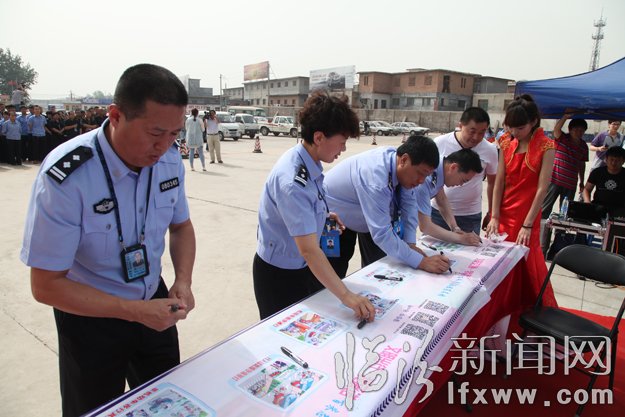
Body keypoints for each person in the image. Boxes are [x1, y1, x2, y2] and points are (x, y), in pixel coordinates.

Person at [21, 63, 196, 417]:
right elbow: (45, 285)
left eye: (174, 134)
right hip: (90, 318)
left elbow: (181, 227)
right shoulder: (68, 176)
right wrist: (131, 311)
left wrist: (183, 280)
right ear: (115, 116)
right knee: (93, 409)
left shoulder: (169, 160)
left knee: (168, 403)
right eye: (155, 133)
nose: (164, 146)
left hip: (154, 302)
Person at [253, 91, 375, 321]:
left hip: (300, 268)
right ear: (319, 137)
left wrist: (323, 216)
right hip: (279, 276)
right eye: (342, 142)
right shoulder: (293, 181)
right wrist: (347, 296)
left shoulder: (308, 162)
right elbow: (309, 250)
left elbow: (303, 209)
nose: (343, 149)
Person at [324, 135, 451, 278]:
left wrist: (410, 244)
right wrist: (422, 262)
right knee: (332, 271)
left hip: (364, 215)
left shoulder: (400, 166)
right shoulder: (376, 179)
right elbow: (382, 233)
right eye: (420, 174)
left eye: (426, 176)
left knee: (378, 264)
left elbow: (409, 206)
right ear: (404, 160)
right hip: (332, 217)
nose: (421, 181)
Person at [485, 94, 557, 307]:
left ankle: (527, 312)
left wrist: (528, 224)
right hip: (503, 214)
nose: (515, 132)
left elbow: (542, 189)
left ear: (533, 122)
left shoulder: (546, 146)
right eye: (510, 127)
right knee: (498, 264)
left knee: (526, 263)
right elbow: (499, 181)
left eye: (520, 128)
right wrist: (494, 215)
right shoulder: (506, 142)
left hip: (527, 216)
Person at [431, 107, 498, 235]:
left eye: (482, 132)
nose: (476, 137)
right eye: (472, 131)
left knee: (469, 247)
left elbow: (492, 184)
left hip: (470, 215)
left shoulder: (490, 150)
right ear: (461, 126)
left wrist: (492, 213)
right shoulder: (440, 143)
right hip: (438, 211)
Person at [540, 114, 589, 255]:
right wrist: (565, 116)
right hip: (554, 181)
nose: (579, 133)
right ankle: (540, 240)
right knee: (545, 209)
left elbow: (582, 165)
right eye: (576, 130)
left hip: (570, 184)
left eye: (581, 131)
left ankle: (558, 243)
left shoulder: (583, 146)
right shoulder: (562, 139)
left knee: (565, 216)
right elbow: (556, 130)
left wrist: (582, 181)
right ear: (570, 129)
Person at [414, 149, 484, 246]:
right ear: (453, 167)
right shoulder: (426, 176)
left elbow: (441, 199)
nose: (461, 185)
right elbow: (425, 226)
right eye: (463, 180)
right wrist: (461, 238)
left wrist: (455, 228)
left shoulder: (440, 167)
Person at [582, 146, 625, 217]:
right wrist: (587, 201)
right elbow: (587, 189)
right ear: (606, 159)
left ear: (623, 161)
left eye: (617, 160)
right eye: (611, 159)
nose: (613, 163)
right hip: (598, 206)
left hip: (619, 210)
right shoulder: (597, 172)